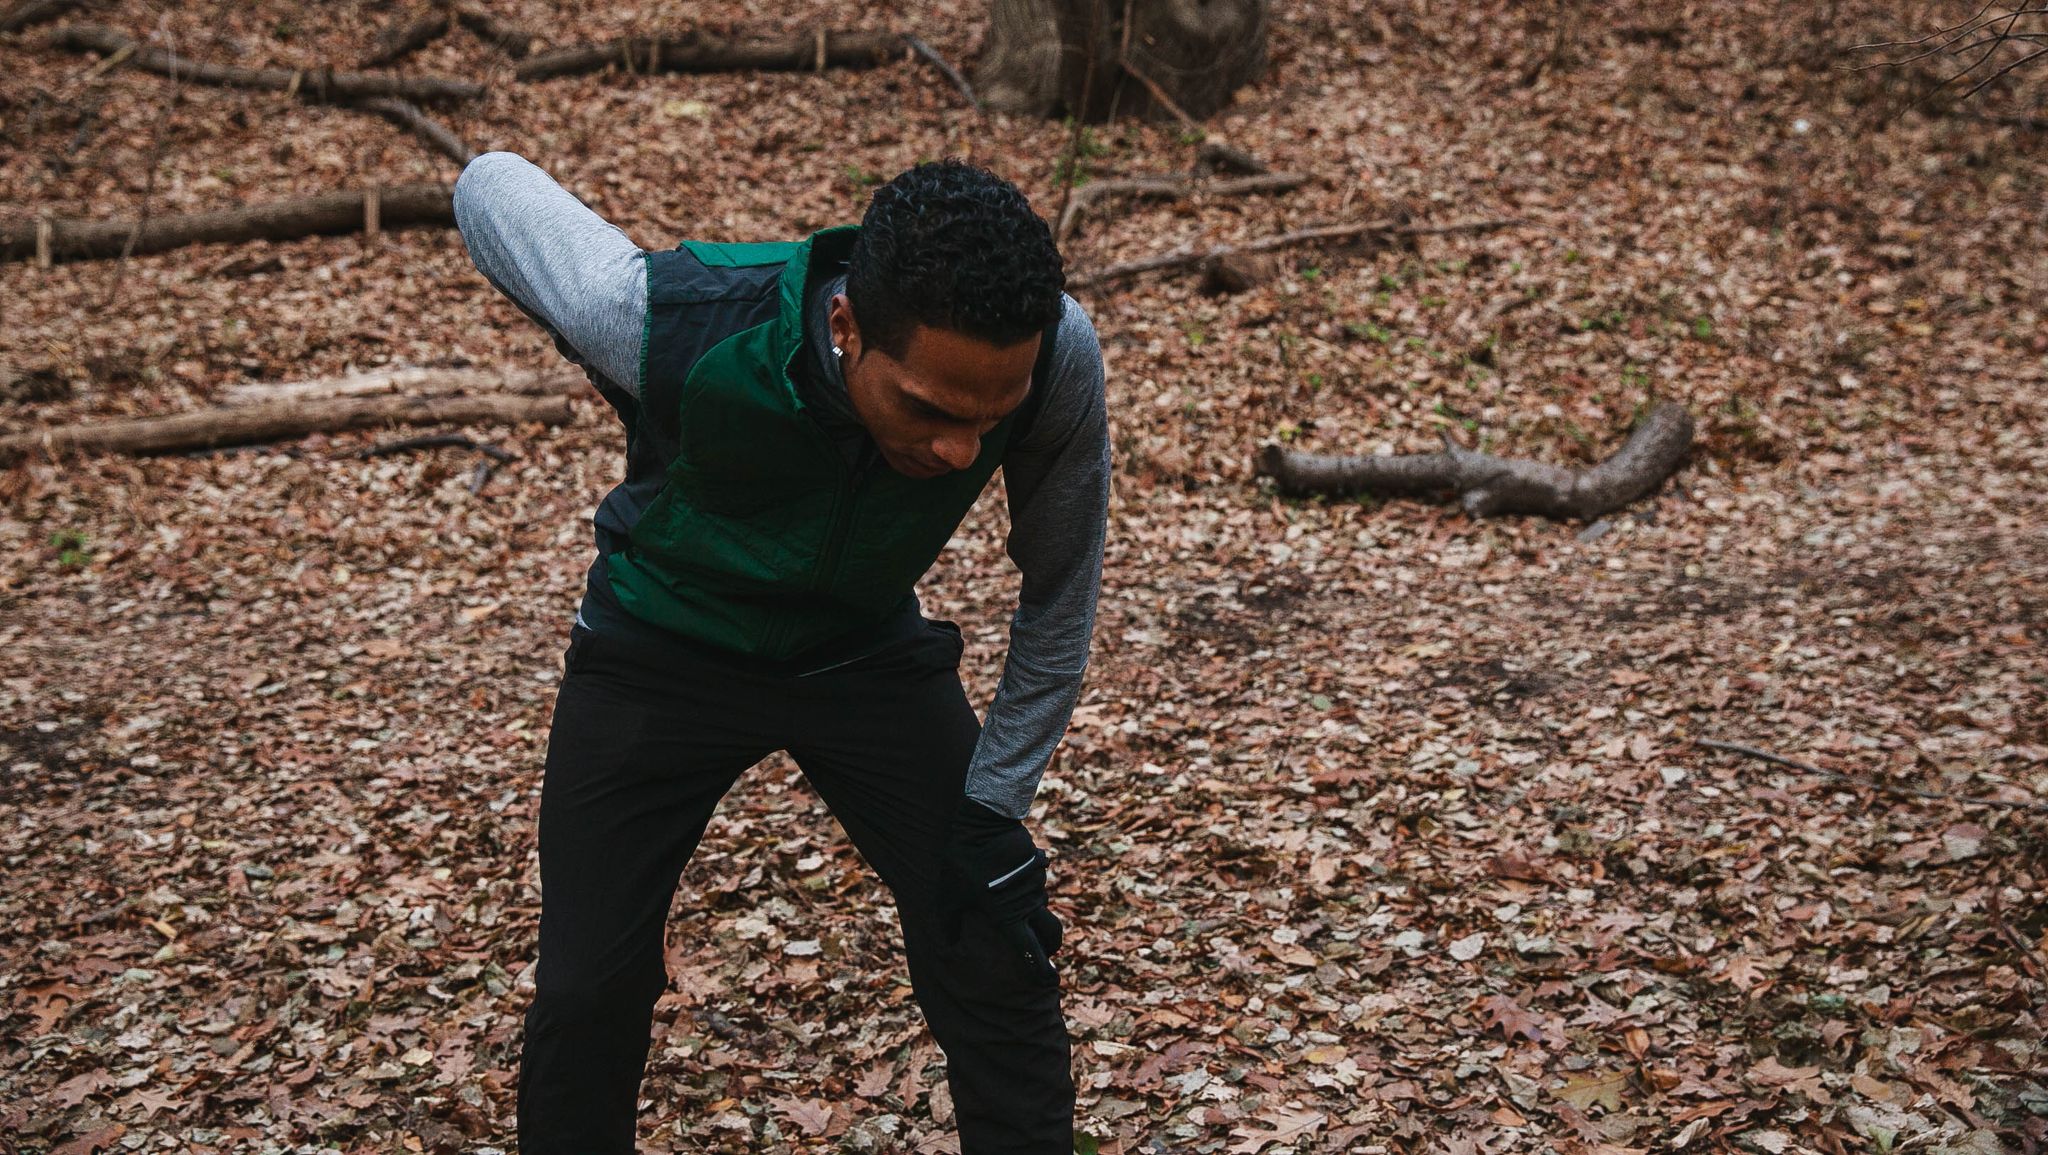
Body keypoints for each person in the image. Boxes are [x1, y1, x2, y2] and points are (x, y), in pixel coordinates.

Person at [453, 151, 1109, 1154]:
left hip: (860, 648)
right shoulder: (672, 320)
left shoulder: (1054, 359)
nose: (958, 454)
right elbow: (490, 181)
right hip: (657, 645)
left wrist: (995, 802)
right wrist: (602, 347)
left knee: (989, 932)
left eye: (991, 417)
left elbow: (1059, 593)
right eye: (930, 410)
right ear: (845, 327)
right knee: (590, 985)